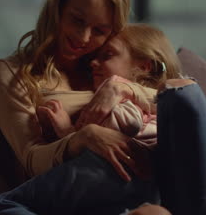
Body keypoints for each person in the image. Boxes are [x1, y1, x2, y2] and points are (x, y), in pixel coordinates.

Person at [0, 0, 206, 215]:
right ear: (57, 8)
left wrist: (123, 89)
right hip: (78, 188)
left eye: (99, 30)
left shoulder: (109, 67)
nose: (83, 38)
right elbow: (30, 157)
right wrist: (84, 136)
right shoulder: (13, 72)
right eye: (76, 20)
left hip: (145, 185)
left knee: (188, 94)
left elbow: (176, 103)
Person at [36, 24, 181, 144]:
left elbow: (98, 144)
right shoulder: (157, 108)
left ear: (144, 67)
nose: (92, 63)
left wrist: (68, 131)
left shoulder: (124, 106)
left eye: (107, 55)